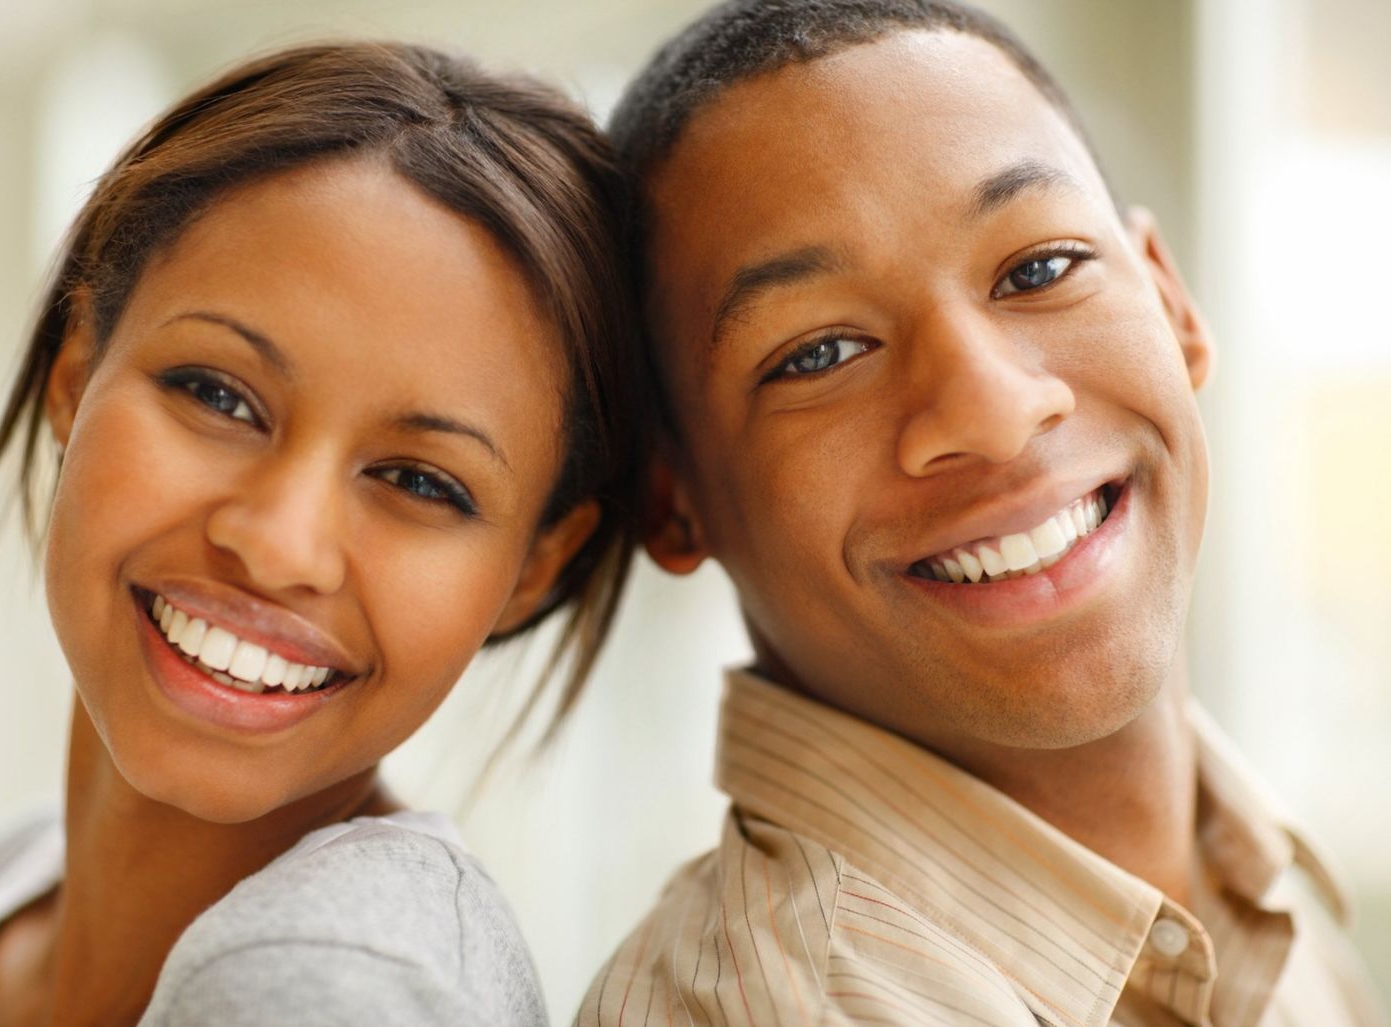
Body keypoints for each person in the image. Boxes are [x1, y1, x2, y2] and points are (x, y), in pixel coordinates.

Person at [579, 1, 1387, 1024]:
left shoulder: (1254, 887)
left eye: (1038, 269)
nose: (992, 413)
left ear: (1173, 305)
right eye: (819, 353)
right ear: (671, 497)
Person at [0, 40, 639, 1027]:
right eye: (217, 395)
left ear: (537, 565)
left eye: (418, 480)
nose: (278, 543)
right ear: (75, 369)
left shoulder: (331, 984)